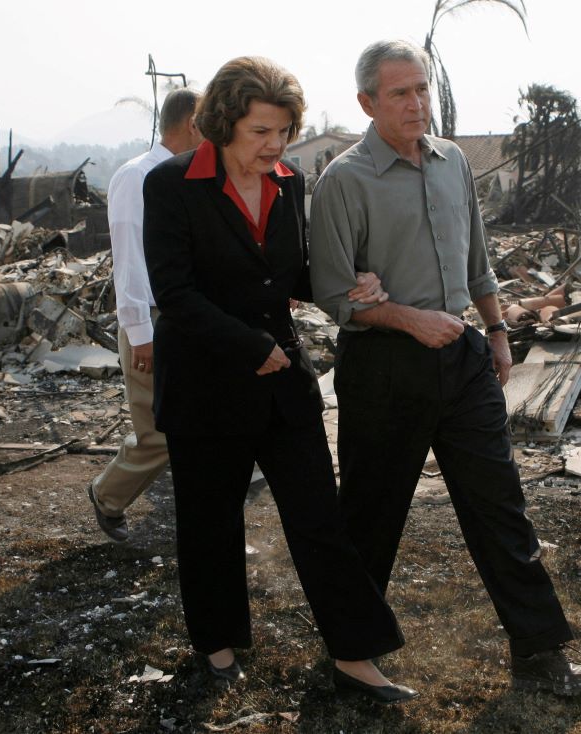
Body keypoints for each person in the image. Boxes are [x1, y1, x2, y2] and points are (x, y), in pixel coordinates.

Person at [308, 39, 581, 697]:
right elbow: (333, 294)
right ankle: (350, 660)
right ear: (367, 102)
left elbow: (477, 261)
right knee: (370, 516)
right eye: (399, 93)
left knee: (500, 507)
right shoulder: (344, 181)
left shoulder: (453, 164)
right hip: (384, 367)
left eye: (421, 89)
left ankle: (539, 655)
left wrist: (496, 333)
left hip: (464, 359)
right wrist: (408, 319)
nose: (417, 104)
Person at [143, 55, 417, 703]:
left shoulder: (291, 183)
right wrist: (246, 346)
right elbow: (174, 292)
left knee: (320, 517)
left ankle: (355, 654)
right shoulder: (173, 184)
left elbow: (290, 275)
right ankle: (217, 644)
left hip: (283, 382)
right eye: (261, 132)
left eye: (284, 131)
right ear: (223, 125)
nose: (275, 146)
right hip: (206, 386)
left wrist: (347, 282)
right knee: (210, 522)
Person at [86, 88, 203, 543]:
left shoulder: (194, 175)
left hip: (191, 317)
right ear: (193, 123)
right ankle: (108, 494)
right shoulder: (139, 176)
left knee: (202, 427)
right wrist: (140, 332)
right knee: (158, 433)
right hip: (152, 319)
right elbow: (130, 259)